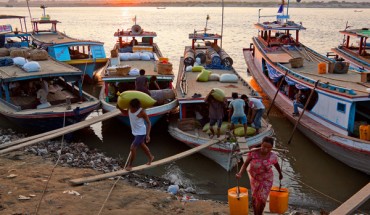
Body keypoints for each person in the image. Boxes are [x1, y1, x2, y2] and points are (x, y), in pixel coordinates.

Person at [236, 136, 283, 215]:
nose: (266, 149)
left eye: (269, 147)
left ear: (272, 148)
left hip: (266, 180)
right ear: (261, 144)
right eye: (264, 146)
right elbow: (245, 164)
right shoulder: (253, 153)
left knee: (262, 199)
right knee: (255, 199)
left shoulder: (273, 156)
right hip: (255, 179)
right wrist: (240, 173)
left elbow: (276, 164)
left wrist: (280, 173)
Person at [118, 99, 154, 171]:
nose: (130, 108)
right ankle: (151, 157)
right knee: (142, 144)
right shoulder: (129, 109)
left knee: (132, 147)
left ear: (135, 107)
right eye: (129, 107)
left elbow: (149, 123)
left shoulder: (141, 112)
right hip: (135, 132)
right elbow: (125, 112)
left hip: (141, 132)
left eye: (131, 107)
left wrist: (148, 135)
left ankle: (130, 165)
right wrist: (119, 108)